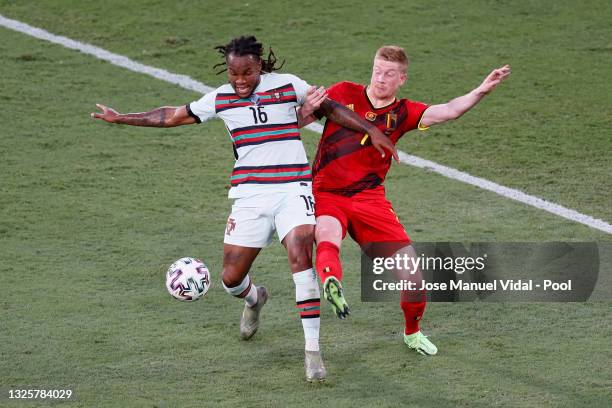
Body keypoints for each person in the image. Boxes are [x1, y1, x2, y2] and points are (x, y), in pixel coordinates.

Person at [91, 35, 396, 381]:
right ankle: (255, 299)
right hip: (250, 197)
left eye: (246, 73)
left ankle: (313, 354)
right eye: (233, 73)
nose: (239, 81)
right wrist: (122, 118)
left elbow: (331, 109)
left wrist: (371, 129)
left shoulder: (287, 85)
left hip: (293, 191)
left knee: (301, 256)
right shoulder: (220, 99)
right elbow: (172, 116)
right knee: (231, 279)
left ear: (259, 67)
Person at [300, 45, 510, 356]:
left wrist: (481, 90)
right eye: (376, 71)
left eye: (388, 74)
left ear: (402, 79)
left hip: (369, 200)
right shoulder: (343, 92)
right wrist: (303, 109)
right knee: (328, 236)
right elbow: (299, 121)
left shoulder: (404, 112)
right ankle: (333, 285)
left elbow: (449, 110)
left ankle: (412, 333)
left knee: (412, 276)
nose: (380, 78)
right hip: (327, 193)